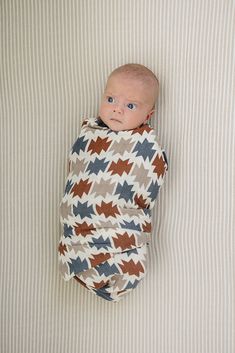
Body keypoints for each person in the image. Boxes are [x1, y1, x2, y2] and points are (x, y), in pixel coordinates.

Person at [58, 63, 168, 302]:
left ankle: (119, 267)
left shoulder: (144, 145)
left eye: (130, 105)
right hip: (79, 228)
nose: (117, 110)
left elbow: (150, 175)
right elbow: (77, 170)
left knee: (124, 250)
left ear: (148, 116)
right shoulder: (90, 134)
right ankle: (82, 259)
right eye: (111, 99)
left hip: (117, 225)